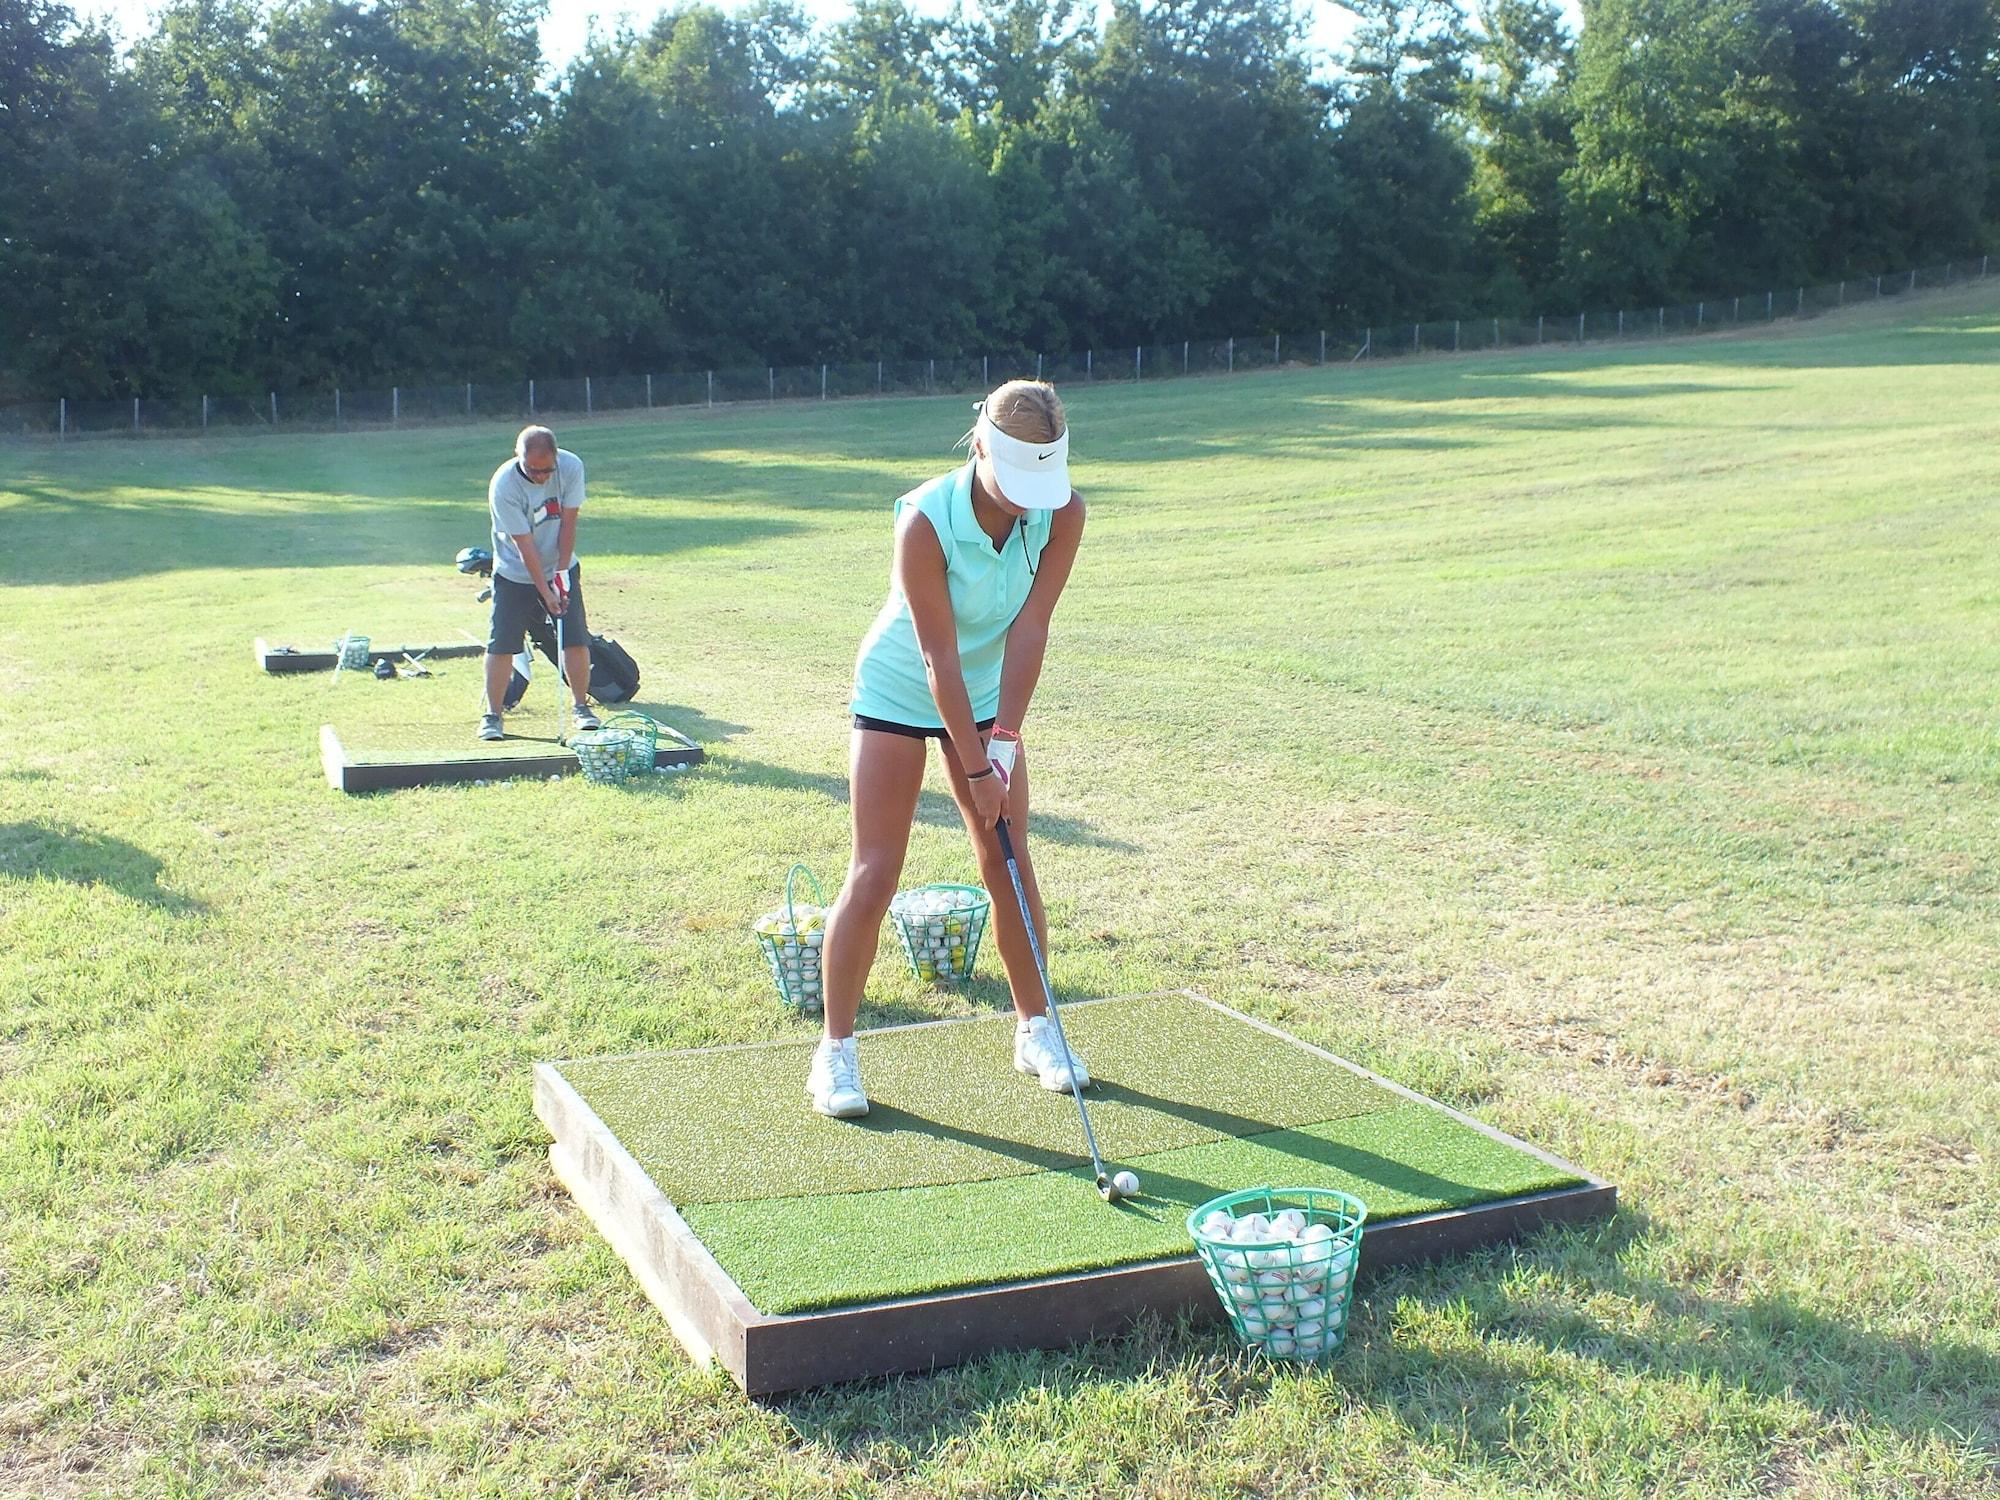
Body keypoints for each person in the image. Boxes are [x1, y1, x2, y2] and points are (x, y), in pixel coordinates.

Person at [809, 380, 1087, 1118]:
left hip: (991, 693)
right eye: (1018, 481)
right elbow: (938, 661)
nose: (1032, 499)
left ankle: (1037, 1029)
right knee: (876, 869)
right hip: (901, 687)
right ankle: (835, 1053)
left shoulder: (1063, 514)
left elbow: (1030, 632)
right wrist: (972, 768)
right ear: (980, 446)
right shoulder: (925, 520)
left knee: (1009, 856)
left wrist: (1002, 749)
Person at [480, 426, 599, 741]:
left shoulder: (571, 467)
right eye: (534, 470)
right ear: (518, 456)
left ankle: (581, 708)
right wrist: (545, 592)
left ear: (556, 458)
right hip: (513, 572)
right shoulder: (503, 485)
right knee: (503, 641)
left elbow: (569, 524)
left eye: (547, 470)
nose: (542, 476)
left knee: (575, 637)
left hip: (561, 563)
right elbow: (524, 545)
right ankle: (493, 716)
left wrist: (560, 576)